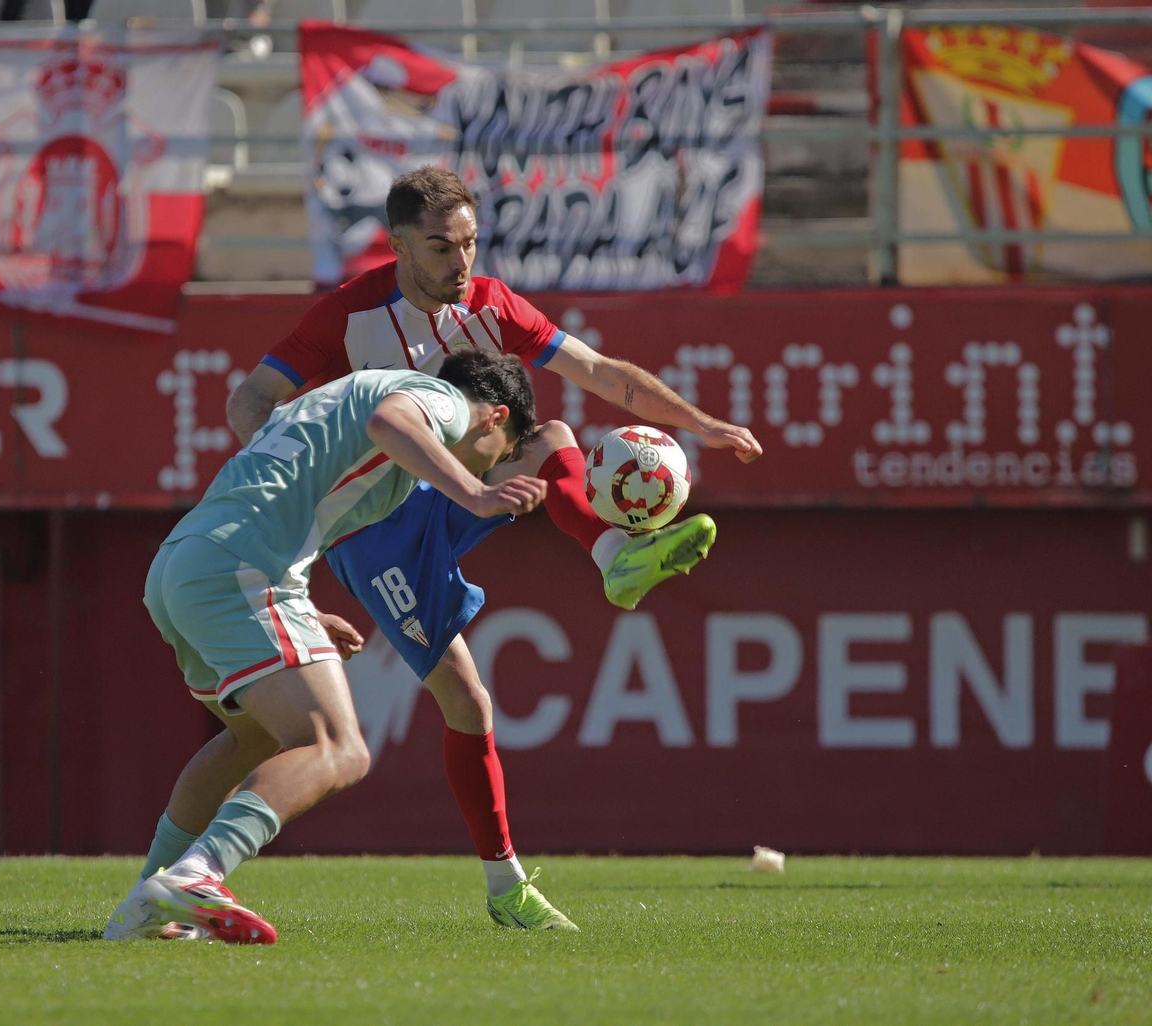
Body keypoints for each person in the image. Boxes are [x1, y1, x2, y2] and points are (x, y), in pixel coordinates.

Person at [223, 166, 764, 931]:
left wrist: (701, 423)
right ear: (399, 245)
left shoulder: (492, 305)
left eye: (471, 243)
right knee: (467, 701)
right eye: (441, 247)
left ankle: (616, 558)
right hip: (373, 527)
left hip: (451, 489)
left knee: (551, 434)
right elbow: (246, 400)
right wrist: (296, 490)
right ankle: (505, 886)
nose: (461, 262)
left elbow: (601, 371)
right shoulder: (349, 316)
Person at [105, 351, 546, 944]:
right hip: (238, 569)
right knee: (338, 747)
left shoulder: (349, 401)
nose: (496, 466)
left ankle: (145, 902)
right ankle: (197, 875)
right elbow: (392, 422)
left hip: (183, 564)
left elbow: (289, 497)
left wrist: (305, 612)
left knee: (252, 738)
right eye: (505, 451)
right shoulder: (438, 402)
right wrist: (476, 492)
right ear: (494, 418)